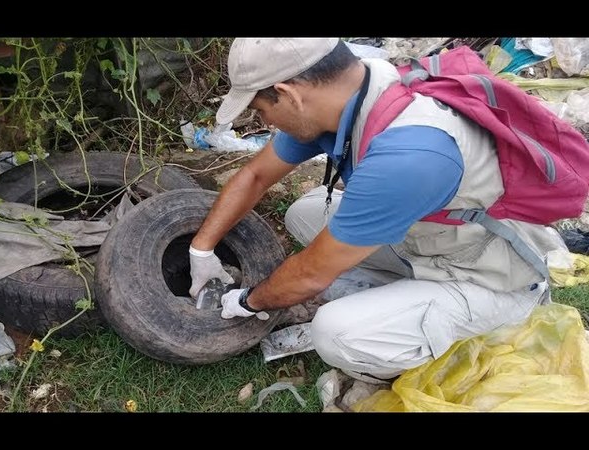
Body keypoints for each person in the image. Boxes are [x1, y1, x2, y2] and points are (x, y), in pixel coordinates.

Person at [188, 38, 562, 383]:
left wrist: (247, 301)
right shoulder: (355, 90)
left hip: (488, 277)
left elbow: (310, 276)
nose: (264, 123)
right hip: (435, 240)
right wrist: (200, 250)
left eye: (261, 110)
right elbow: (254, 175)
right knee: (304, 213)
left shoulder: (410, 153)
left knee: (335, 332)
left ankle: (426, 340)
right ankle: (401, 298)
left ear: (289, 94)